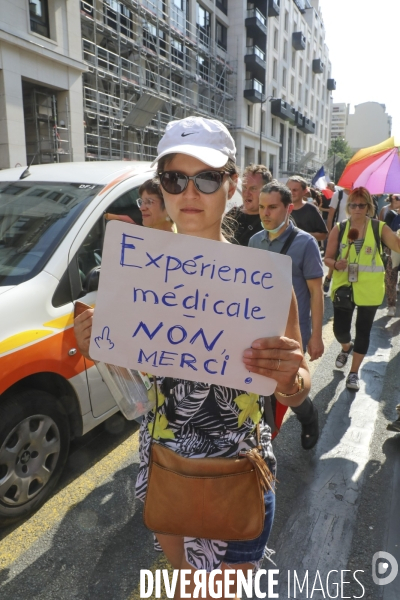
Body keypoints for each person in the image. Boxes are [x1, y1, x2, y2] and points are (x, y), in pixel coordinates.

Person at [74, 116, 311, 597]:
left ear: (231, 184)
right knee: (185, 588)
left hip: (238, 476)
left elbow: (298, 378)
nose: (189, 192)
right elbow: (138, 388)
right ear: (161, 187)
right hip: (167, 473)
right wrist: (96, 346)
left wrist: (290, 378)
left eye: (205, 178)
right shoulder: (138, 272)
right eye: (174, 178)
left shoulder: (264, 281)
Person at [249, 182, 324, 450]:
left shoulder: (306, 243)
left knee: (287, 387)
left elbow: (316, 293)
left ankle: (308, 417)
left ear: (288, 208)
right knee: (263, 386)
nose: (265, 213)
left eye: (272, 207)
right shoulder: (254, 241)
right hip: (258, 331)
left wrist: (316, 336)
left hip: (293, 333)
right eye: (261, 207)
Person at [324, 186, 400, 391]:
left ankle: (353, 373)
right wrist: (335, 264)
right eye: (353, 204)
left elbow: (398, 245)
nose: (357, 208)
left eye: (361, 204)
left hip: (370, 290)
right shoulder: (339, 228)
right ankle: (345, 347)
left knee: (363, 331)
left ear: (368, 206)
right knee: (340, 330)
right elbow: (328, 257)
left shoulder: (379, 227)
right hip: (343, 287)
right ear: (348, 206)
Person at [225, 164, 272, 246]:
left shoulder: (274, 220)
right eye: (244, 187)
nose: (246, 193)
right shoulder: (232, 215)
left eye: (253, 188)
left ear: (267, 191)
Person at [323, 187, 352, 293]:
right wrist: (329, 232)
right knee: (335, 255)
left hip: (355, 229)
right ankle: (330, 277)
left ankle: (348, 281)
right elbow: (330, 216)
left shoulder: (359, 194)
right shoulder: (338, 195)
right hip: (339, 230)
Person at [286, 176, 328, 242]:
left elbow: (323, 235)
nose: (291, 192)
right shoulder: (281, 207)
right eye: (288, 189)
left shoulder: (311, 209)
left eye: (295, 190)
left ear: (304, 191)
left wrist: (301, 235)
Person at [384, 196, 400, 316]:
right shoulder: (391, 215)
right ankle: (391, 305)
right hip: (393, 250)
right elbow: (384, 232)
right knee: (390, 278)